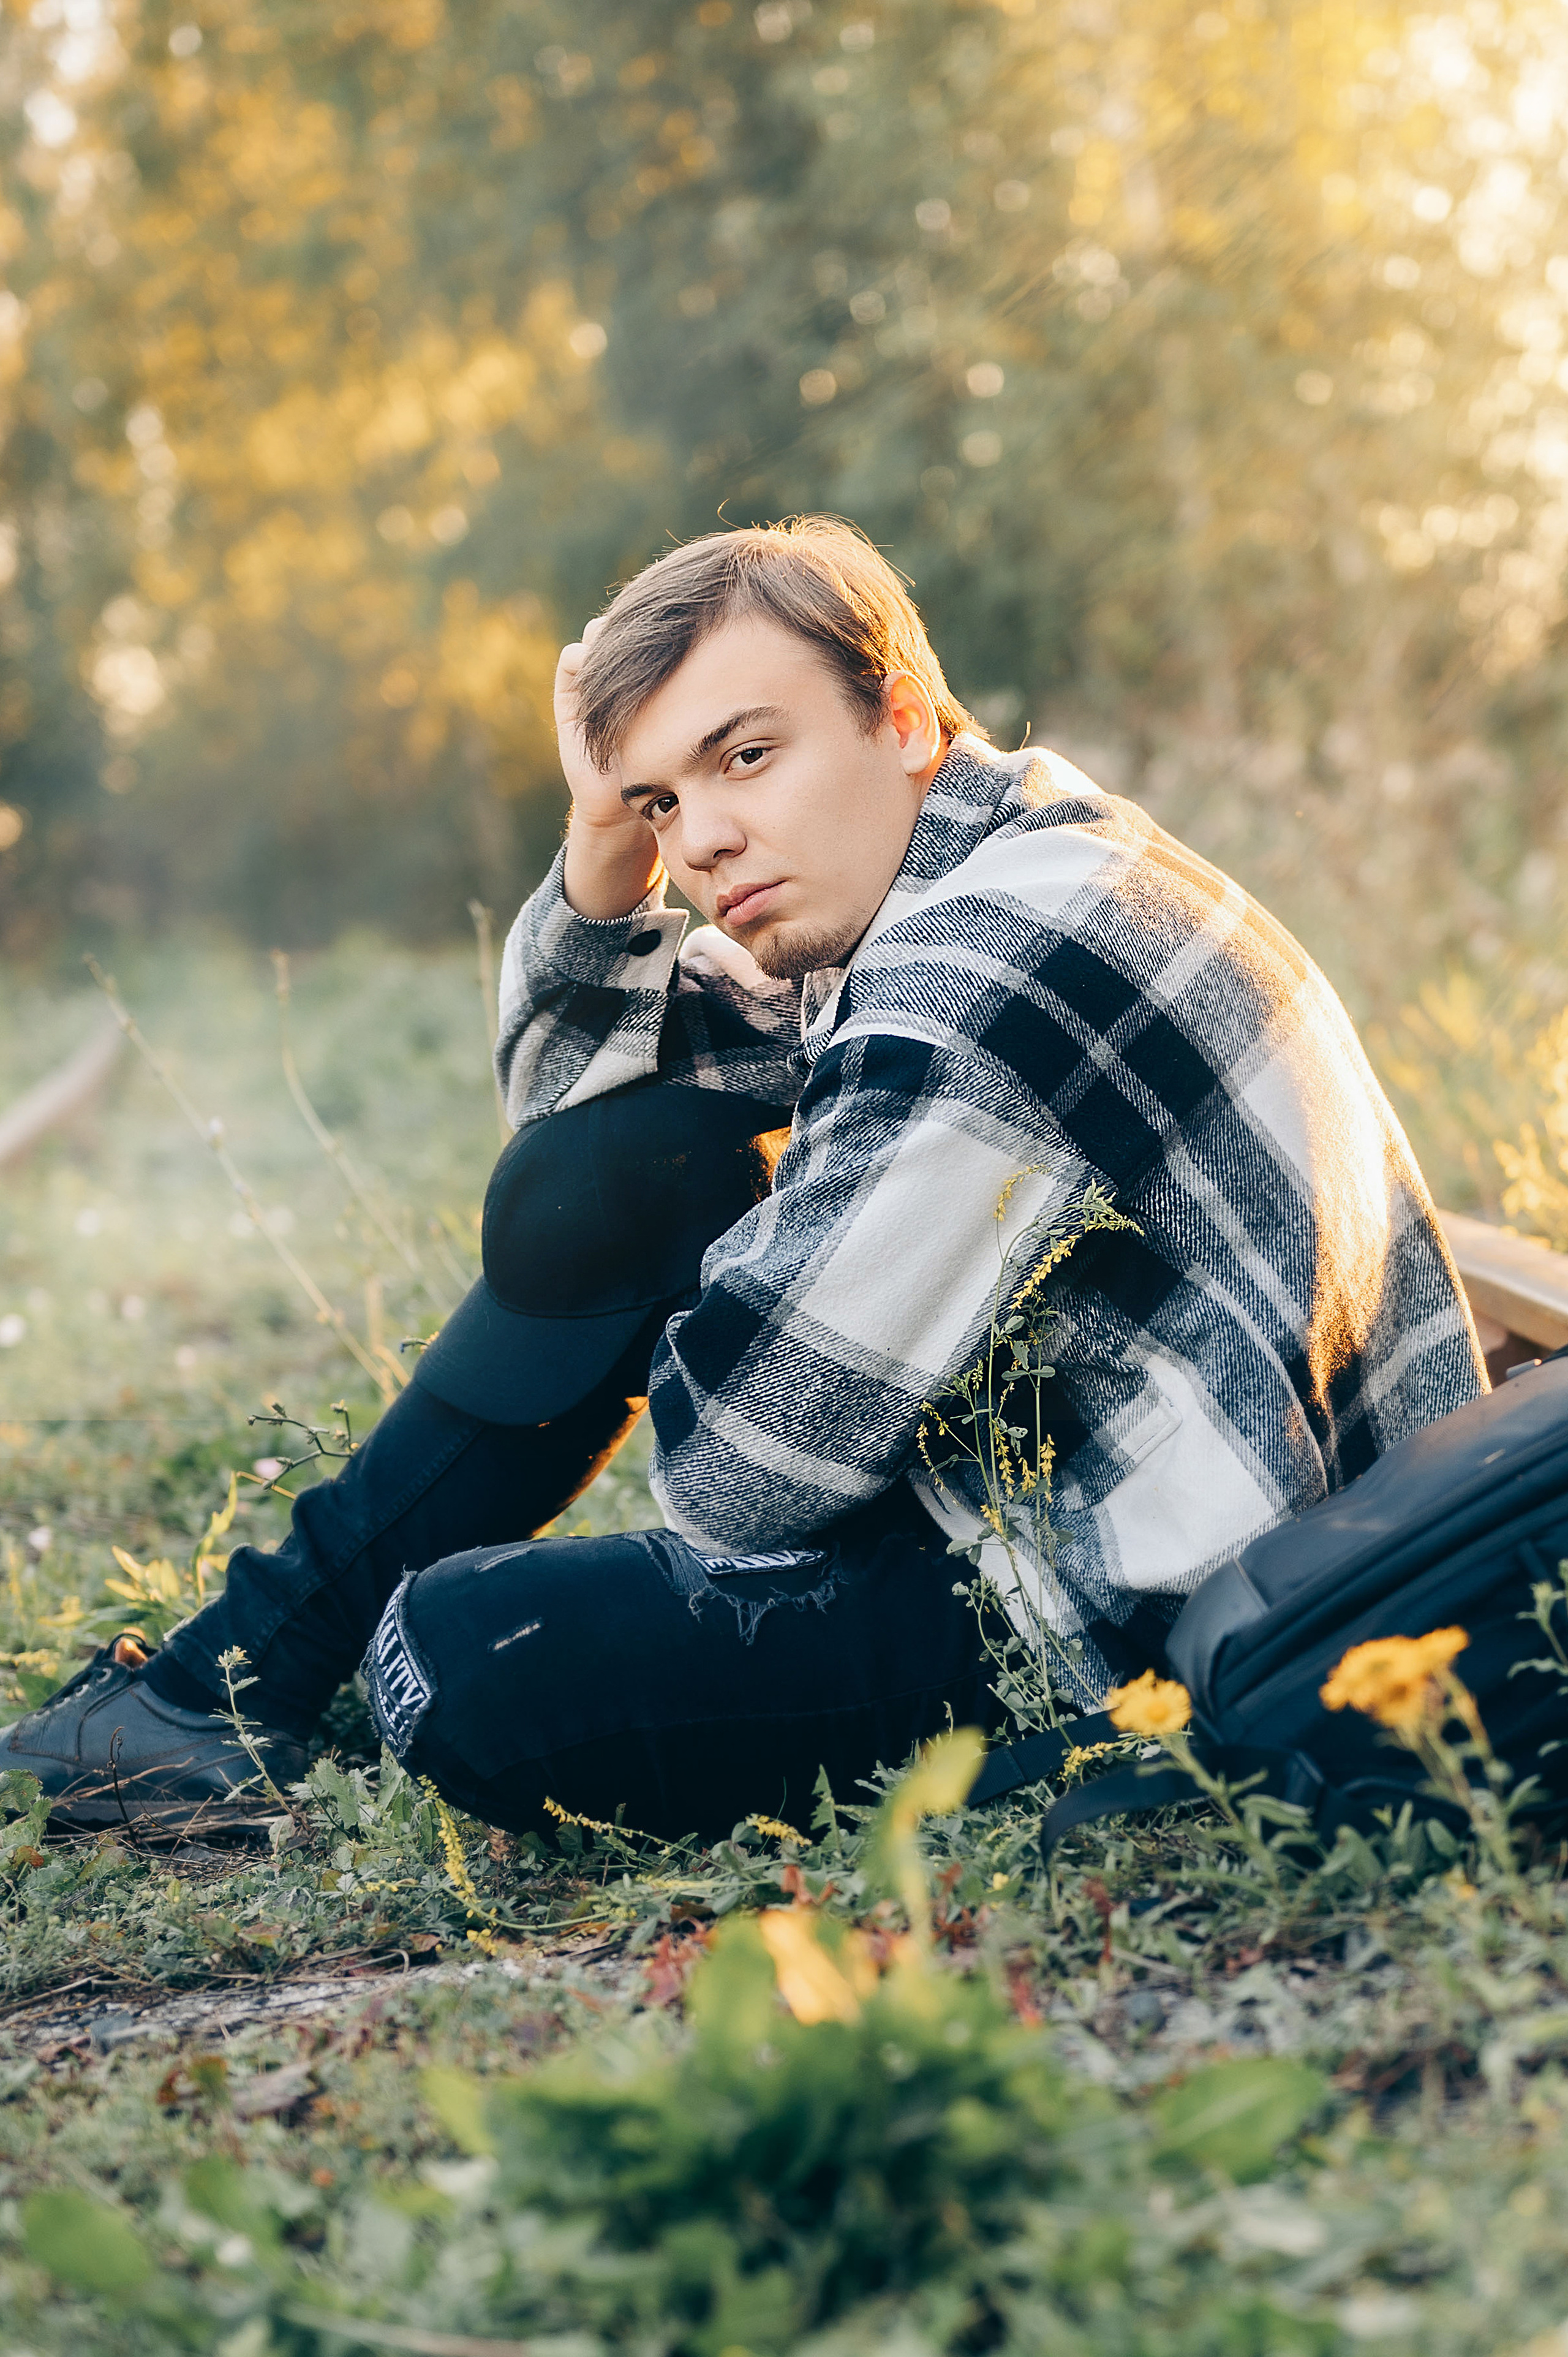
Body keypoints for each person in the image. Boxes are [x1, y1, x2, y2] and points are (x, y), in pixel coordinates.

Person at [0, 517, 1487, 1839]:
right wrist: (598, 843)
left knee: (470, 1661)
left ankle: (231, 1681)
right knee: (632, 1169)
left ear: (899, 718)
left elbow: (734, 1485)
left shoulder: (973, 972)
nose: (703, 838)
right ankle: (222, 1687)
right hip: (1176, 1514)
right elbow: (579, 1131)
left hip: (1167, 1627)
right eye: (659, 799)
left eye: (745, 755)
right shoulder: (1001, 852)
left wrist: (743, 1252)